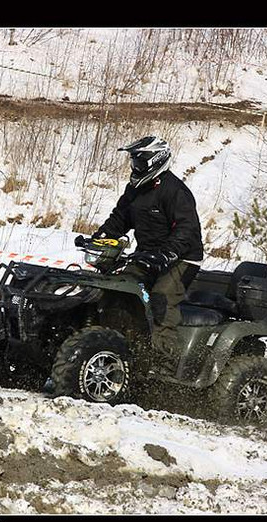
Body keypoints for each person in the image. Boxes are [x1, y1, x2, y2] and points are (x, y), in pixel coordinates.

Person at [93, 135, 204, 370]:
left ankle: (165, 362)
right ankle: (122, 348)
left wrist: (167, 253)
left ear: (156, 161)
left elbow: (187, 230)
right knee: (119, 288)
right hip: (146, 255)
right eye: (134, 162)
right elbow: (120, 218)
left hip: (182, 258)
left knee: (160, 298)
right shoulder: (135, 189)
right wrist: (101, 238)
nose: (135, 167)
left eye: (139, 162)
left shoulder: (174, 191)